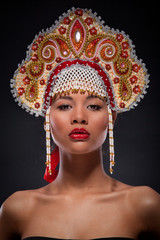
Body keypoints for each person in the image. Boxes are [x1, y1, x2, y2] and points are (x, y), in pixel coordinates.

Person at [0, 7, 160, 240]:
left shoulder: (144, 204)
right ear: (47, 118)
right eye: (64, 106)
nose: (79, 117)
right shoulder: (18, 209)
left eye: (93, 106)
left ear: (111, 117)